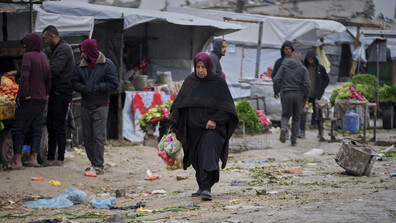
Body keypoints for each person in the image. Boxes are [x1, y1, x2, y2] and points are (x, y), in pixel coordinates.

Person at [169, 52, 238, 201]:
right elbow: (180, 103)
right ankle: (201, 185)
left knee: (208, 155)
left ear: (209, 67)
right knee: (196, 158)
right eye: (198, 67)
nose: (200, 70)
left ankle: (207, 187)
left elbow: (227, 107)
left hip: (212, 129)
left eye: (203, 67)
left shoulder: (218, 82)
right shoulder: (190, 81)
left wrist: (215, 119)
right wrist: (174, 121)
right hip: (193, 129)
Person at [72, 39, 118, 175]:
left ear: (90, 51)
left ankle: (98, 165)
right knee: (87, 136)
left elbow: (114, 83)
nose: (81, 55)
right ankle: (93, 162)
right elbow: (73, 82)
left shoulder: (107, 64)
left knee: (98, 136)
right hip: (86, 104)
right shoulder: (80, 66)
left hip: (101, 104)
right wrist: (83, 88)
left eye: (83, 52)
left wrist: (99, 87)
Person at [9, 33, 51, 170]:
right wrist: (45, 93)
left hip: (30, 98)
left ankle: (17, 161)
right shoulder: (44, 58)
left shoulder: (28, 56)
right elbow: (49, 79)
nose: (25, 46)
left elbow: (25, 77)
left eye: (26, 43)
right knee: (36, 129)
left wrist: (22, 95)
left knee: (18, 128)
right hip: (41, 99)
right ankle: (33, 159)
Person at [273, 51, 310, 147]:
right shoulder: (303, 69)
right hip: (299, 95)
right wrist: (305, 96)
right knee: (297, 117)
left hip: (286, 94)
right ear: (300, 59)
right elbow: (307, 84)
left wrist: (276, 91)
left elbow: (276, 79)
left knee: (285, 115)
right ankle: (293, 141)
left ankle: (284, 129)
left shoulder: (284, 66)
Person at [299, 50, 329, 139]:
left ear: (315, 59)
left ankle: (320, 131)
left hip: (317, 95)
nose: (310, 61)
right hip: (306, 95)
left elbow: (326, 80)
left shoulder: (320, 68)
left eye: (312, 59)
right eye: (309, 59)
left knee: (318, 113)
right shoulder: (304, 68)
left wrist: (321, 88)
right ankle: (302, 131)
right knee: (303, 113)